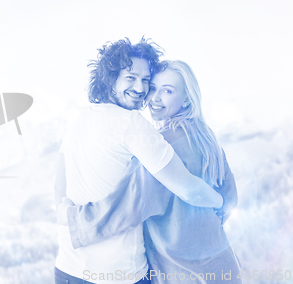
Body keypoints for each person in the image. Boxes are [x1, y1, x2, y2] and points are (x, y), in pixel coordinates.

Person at [54, 39, 223, 284]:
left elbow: (60, 184)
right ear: (110, 79)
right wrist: (220, 202)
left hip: (68, 270)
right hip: (119, 275)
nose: (140, 88)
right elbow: (188, 188)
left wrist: (64, 215)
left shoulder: (78, 119)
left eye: (146, 80)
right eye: (131, 77)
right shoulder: (132, 124)